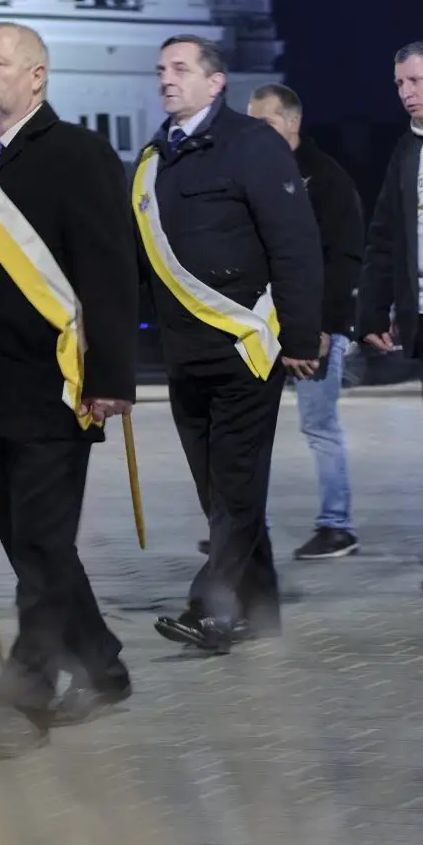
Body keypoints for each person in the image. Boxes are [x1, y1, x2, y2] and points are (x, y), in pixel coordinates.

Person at [0, 24, 136, 758]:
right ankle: (102, 667)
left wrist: (111, 376)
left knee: (41, 551)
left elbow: (109, 268)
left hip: (53, 390)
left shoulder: (78, 154)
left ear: (36, 76)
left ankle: (23, 703)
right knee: (35, 551)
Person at [138, 38, 322, 655]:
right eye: (161, 70)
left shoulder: (252, 143)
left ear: (215, 82)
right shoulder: (154, 157)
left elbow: (294, 242)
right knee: (219, 493)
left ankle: (212, 609)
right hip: (185, 353)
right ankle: (259, 611)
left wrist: (300, 336)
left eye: (180, 69)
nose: (167, 79)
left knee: (236, 489)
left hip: (246, 348)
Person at [246, 83, 366, 559]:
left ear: (293, 122)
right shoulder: (250, 174)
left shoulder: (328, 179)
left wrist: (327, 326)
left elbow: (345, 258)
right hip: (259, 326)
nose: (256, 132)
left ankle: (337, 527)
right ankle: (246, 527)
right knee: (249, 430)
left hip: (313, 328)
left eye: (266, 122)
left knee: (319, 426)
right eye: (251, 123)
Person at [357, 39, 423, 578]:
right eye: (398, 84)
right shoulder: (407, 151)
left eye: (415, 80)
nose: (405, 93)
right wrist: (371, 311)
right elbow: (385, 235)